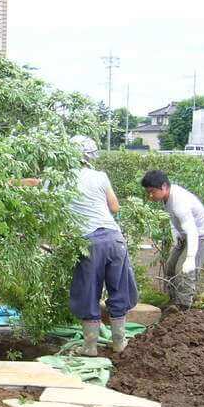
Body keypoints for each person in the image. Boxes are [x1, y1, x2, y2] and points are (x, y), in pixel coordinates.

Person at [66, 136, 138, 355]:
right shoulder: (100, 176)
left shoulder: (62, 178)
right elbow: (114, 207)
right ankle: (119, 342)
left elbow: (39, 187)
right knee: (119, 289)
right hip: (115, 239)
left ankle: (90, 347)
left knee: (88, 291)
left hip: (90, 242)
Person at [141, 170, 204, 309]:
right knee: (170, 268)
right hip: (186, 237)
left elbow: (193, 231)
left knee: (184, 271)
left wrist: (190, 257)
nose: (150, 196)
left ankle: (183, 309)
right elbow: (173, 220)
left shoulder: (179, 201)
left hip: (201, 237)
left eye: (152, 191)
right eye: (148, 192)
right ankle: (173, 303)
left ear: (163, 186)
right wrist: (177, 236)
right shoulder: (167, 197)